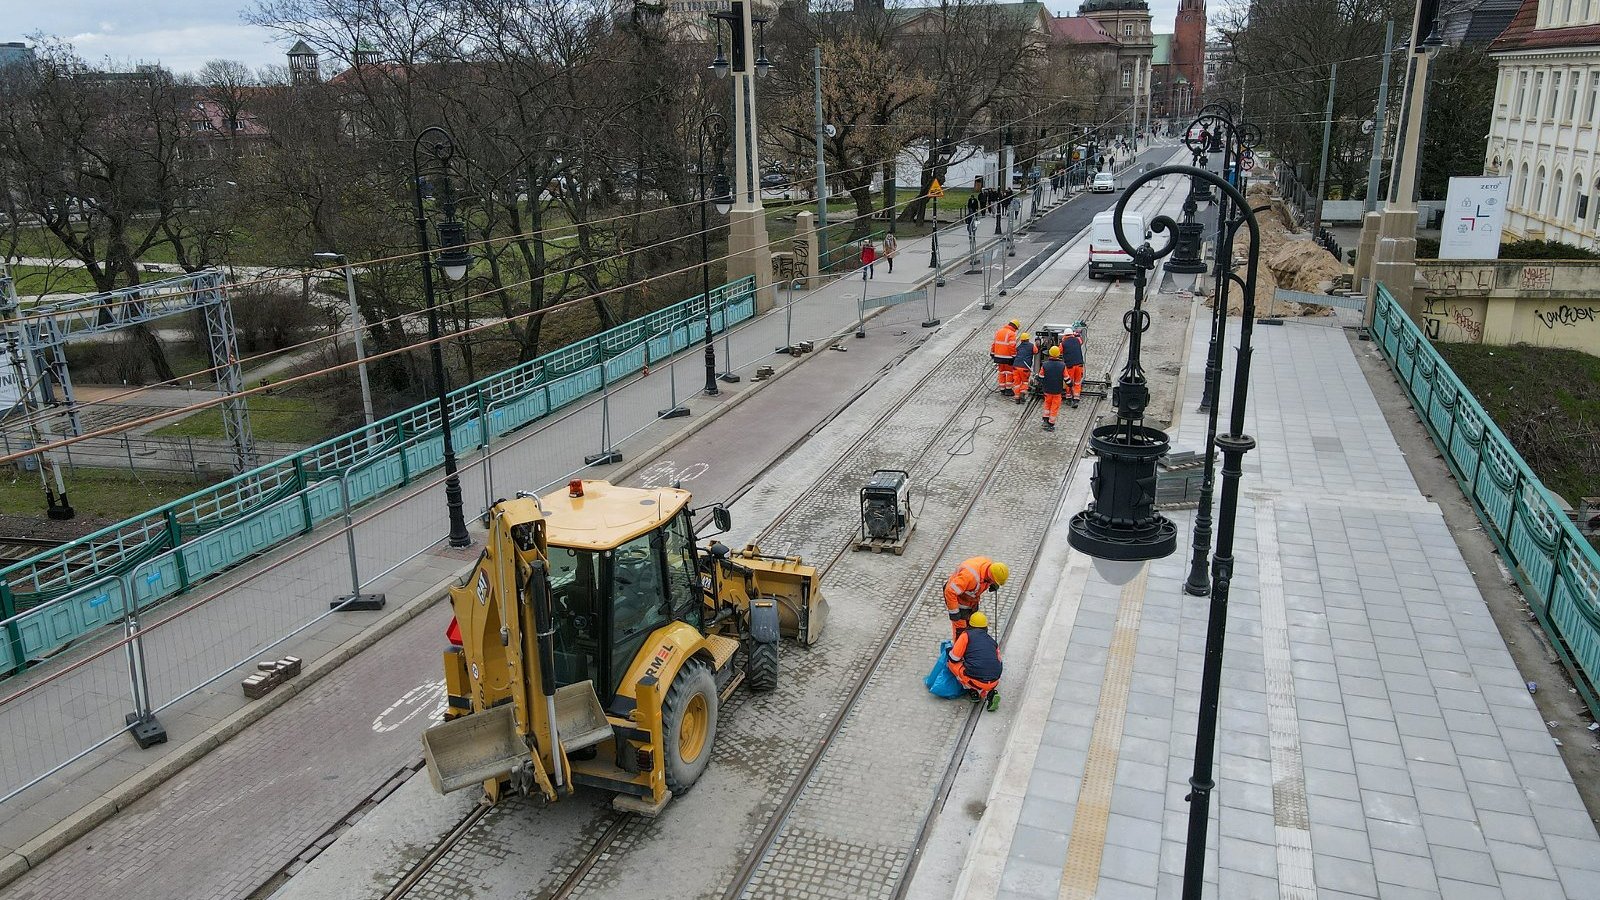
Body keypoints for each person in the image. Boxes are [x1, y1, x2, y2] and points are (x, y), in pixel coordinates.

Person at [948, 611, 1003, 711]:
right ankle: (990, 692)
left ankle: (971, 690)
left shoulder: (966, 635)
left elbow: (954, 658)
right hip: (995, 680)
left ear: (970, 624)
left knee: (952, 664)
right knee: (982, 672)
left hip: (975, 681)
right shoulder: (991, 641)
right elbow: (999, 661)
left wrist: (949, 651)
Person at [943, 556, 1008, 637]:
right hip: (958, 600)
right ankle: (959, 647)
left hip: (970, 599)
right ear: (991, 577)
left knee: (972, 626)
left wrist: (992, 583)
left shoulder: (989, 567)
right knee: (960, 631)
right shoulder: (970, 576)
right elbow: (950, 591)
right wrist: (954, 613)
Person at [1039, 345, 1066, 431]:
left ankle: (1045, 419)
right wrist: (1070, 384)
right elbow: (1066, 378)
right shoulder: (1062, 365)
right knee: (1055, 406)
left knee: (1047, 404)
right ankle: (1051, 423)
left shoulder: (1045, 365)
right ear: (1058, 354)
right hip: (1057, 390)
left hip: (1047, 389)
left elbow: (1041, 376)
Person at [990, 319, 1019, 393]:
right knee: (1009, 372)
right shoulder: (1012, 334)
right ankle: (1008, 389)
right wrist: (1014, 356)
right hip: (1007, 357)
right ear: (1015, 327)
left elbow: (994, 343)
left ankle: (1002, 388)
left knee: (1001, 372)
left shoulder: (999, 331)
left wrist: (992, 353)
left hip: (998, 357)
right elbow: (1012, 346)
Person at [1060, 328, 1085, 407]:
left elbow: (1058, 352)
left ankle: (1068, 397)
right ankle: (1076, 399)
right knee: (1077, 382)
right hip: (1079, 364)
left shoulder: (1063, 343)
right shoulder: (1077, 340)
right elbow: (1081, 341)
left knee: (1069, 382)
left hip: (1070, 365)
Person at [1011, 331, 1035, 403]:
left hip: (1015, 366)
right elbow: (1036, 351)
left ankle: (1017, 398)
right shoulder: (1031, 346)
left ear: (1021, 340)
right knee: (1024, 382)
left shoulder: (1019, 347)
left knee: (1017, 383)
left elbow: (1015, 353)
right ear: (1028, 339)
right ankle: (1022, 393)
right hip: (1025, 367)